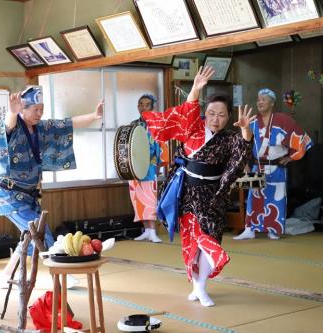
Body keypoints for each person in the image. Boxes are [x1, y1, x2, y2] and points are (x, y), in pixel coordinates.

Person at [141, 66, 255, 306]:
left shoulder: (228, 139)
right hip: (187, 192)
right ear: (205, 113)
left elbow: (241, 153)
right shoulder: (193, 127)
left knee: (209, 239)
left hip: (213, 197)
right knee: (192, 241)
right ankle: (199, 287)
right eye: (211, 113)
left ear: (228, 117)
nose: (215, 119)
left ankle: (200, 287)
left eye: (222, 115)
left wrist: (245, 128)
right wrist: (194, 89)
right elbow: (185, 114)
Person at [0, 86, 103, 277]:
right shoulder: (15, 126)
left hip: (28, 194)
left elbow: (68, 124)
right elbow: (8, 126)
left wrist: (93, 116)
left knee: (29, 235)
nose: (40, 113)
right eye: (35, 109)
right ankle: (59, 274)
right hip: (9, 194)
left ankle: (7, 274)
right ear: (23, 109)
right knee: (41, 234)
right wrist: (12, 112)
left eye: (42, 109)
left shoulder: (41, 128)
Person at [234, 88, 312, 241]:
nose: (260, 102)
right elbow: (244, 143)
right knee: (253, 198)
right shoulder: (252, 120)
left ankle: (273, 230)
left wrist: (291, 157)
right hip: (257, 165)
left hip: (278, 167)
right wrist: (244, 165)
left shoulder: (284, 119)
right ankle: (250, 229)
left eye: (264, 99)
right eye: (258, 99)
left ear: (272, 103)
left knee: (277, 199)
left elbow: (301, 139)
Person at [130, 94, 169, 243]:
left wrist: (159, 163)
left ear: (152, 107)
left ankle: (153, 230)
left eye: (147, 104)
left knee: (150, 198)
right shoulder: (133, 124)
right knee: (138, 198)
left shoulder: (157, 123)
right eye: (141, 104)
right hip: (135, 166)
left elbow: (161, 144)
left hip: (150, 165)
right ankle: (146, 230)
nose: (143, 107)